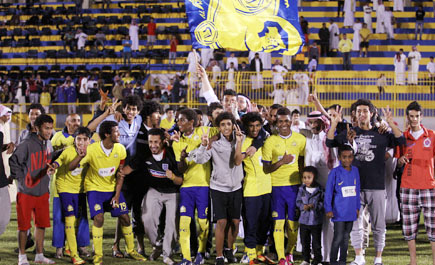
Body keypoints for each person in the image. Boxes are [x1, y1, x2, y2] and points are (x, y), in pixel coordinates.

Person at [326, 99, 405, 265]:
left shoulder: (382, 132)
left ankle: (378, 258)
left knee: (379, 225)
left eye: (365, 111)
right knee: (356, 224)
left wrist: (390, 123)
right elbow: (330, 142)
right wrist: (333, 124)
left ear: (372, 113)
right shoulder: (350, 132)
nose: (362, 114)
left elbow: (400, 140)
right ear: (355, 114)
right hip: (355, 187)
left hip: (377, 185)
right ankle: (359, 257)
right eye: (358, 111)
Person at [68, 120, 146, 264]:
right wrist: (79, 155)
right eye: (116, 131)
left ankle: (131, 250)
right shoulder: (91, 150)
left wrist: (116, 195)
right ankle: (98, 254)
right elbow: (71, 167)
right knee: (98, 218)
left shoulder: (120, 149)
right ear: (107, 134)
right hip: (95, 190)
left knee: (125, 218)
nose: (119, 134)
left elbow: (120, 174)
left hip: (112, 190)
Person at [121, 128, 182, 265]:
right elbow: (127, 169)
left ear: (163, 142)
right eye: (150, 142)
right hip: (154, 190)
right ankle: (158, 245)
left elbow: (181, 180)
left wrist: (172, 177)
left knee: (171, 224)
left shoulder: (171, 153)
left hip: (173, 192)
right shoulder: (144, 153)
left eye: (156, 142)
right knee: (147, 219)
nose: (153, 145)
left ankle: (167, 255)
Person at [191, 112, 244, 265]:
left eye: (228, 124)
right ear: (218, 127)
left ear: (233, 125)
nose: (226, 127)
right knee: (221, 222)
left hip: (236, 187)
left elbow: (238, 161)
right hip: (218, 188)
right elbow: (200, 159)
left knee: (235, 222)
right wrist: (203, 144)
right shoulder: (213, 143)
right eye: (222, 124)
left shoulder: (241, 138)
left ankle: (229, 248)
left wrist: (239, 142)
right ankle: (219, 255)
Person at [262, 107, 306, 265]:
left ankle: (290, 252)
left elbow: (301, 163)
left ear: (291, 120)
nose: (284, 124)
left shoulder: (301, 139)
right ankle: (281, 257)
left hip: (294, 187)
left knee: (293, 225)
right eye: (280, 121)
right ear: (276, 122)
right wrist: (282, 162)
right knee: (278, 223)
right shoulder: (270, 141)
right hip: (276, 188)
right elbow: (266, 169)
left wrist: (303, 184)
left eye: (286, 120)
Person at [172, 109, 216, 265]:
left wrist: (208, 141)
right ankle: (186, 258)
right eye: (178, 120)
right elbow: (181, 169)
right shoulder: (177, 142)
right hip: (187, 187)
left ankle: (201, 253)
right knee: (184, 223)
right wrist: (183, 158)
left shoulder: (204, 131)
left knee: (203, 223)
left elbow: (222, 132)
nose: (179, 123)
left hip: (204, 186)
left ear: (192, 122)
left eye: (182, 120)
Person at [10, 114, 55, 265]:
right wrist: (22, 180)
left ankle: (39, 255)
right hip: (26, 192)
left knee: (41, 224)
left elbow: (50, 159)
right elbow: (14, 160)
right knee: (24, 226)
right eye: (46, 128)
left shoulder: (48, 143)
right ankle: (22, 256)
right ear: (37, 128)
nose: (49, 131)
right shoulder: (27, 143)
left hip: (42, 191)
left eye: (50, 128)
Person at [397, 101, 435, 265]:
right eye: (411, 116)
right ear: (407, 117)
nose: (414, 119)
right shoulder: (402, 138)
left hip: (429, 187)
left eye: (417, 116)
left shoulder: (432, 136)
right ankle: (413, 261)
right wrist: (400, 160)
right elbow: (397, 162)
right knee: (409, 228)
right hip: (408, 187)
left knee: (433, 228)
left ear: (422, 116)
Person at [47, 127, 92, 265]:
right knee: (69, 220)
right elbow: (59, 161)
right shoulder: (69, 151)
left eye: (85, 139)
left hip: (80, 190)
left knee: (79, 220)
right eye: (79, 139)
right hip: (64, 188)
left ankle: (69, 248)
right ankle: (74, 255)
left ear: (89, 140)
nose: (81, 142)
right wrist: (53, 166)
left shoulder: (91, 151)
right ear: (74, 140)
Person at [236, 112, 274, 265]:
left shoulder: (265, 138)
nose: (254, 129)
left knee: (264, 223)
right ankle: (249, 253)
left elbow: (266, 133)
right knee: (251, 222)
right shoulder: (244, 142)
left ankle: (259, 253)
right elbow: (238, 161)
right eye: (251, 126)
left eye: (257, 125)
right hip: (251, 188)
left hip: (267, 186)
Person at [324, 145, 361, 265]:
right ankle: (333, 261)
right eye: (344, 157)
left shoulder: (355, 170)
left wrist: (357, 207)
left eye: (350, 157)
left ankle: (342, 261)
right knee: (338, 237)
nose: (347, 160)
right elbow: (328, 192)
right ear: (339, 157)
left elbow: (357, 190)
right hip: (339, 211)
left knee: (346, 238)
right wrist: (328, 208)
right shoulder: (334, 172)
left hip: (351, 210)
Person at [296, 166, 324, 265]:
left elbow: (323, 203)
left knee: (316, 243)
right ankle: (306, 259)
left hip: (316, 221)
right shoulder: (301, 189)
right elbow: (298, 202)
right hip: (304, 221)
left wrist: (314, 205)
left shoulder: (320, 190)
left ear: (314, 177)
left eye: (309, 177)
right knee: (305, 242)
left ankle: (317, 260)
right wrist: (302, 206)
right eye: (304, 177)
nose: (306, 180)